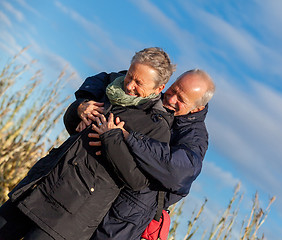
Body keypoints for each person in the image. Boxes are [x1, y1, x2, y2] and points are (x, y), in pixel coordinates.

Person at [0, 47, 176, 240]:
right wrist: (79, 108)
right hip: (39, 187)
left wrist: (111, 139)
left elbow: (137, 180)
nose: (129, 85)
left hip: (71, 214)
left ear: (159, 88)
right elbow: (73, 128)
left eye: (138, 83)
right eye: (130, 76)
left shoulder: (157, 128)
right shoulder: (110, 86)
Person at [71, 69, 215, 239]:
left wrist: (128, 137)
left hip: (123, 219)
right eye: (174, 89)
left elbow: (180, 171)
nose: (170, 98)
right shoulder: (152, 92)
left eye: (181, 100)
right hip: (91, 194)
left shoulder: (195, 137)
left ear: (197, 108)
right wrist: (84, 102)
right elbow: (107, 79)